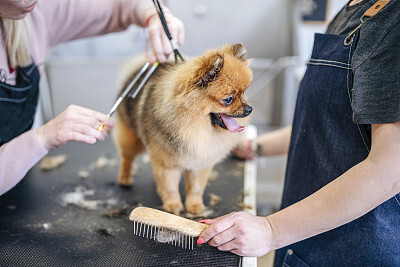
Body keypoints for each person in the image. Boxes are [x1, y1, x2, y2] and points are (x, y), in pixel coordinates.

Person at [198, 0, 400, 265]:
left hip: (354, 249)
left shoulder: (393, 22)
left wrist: (271, 231)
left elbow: (389, 170)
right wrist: (253, 147)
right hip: (302, 237)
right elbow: (326, 122)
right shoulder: (352, 10)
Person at [0, 0, 184, 196]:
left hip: (20, 191)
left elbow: (121, 5)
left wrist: (154, 15)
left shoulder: (35, 10)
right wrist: (42, 138)